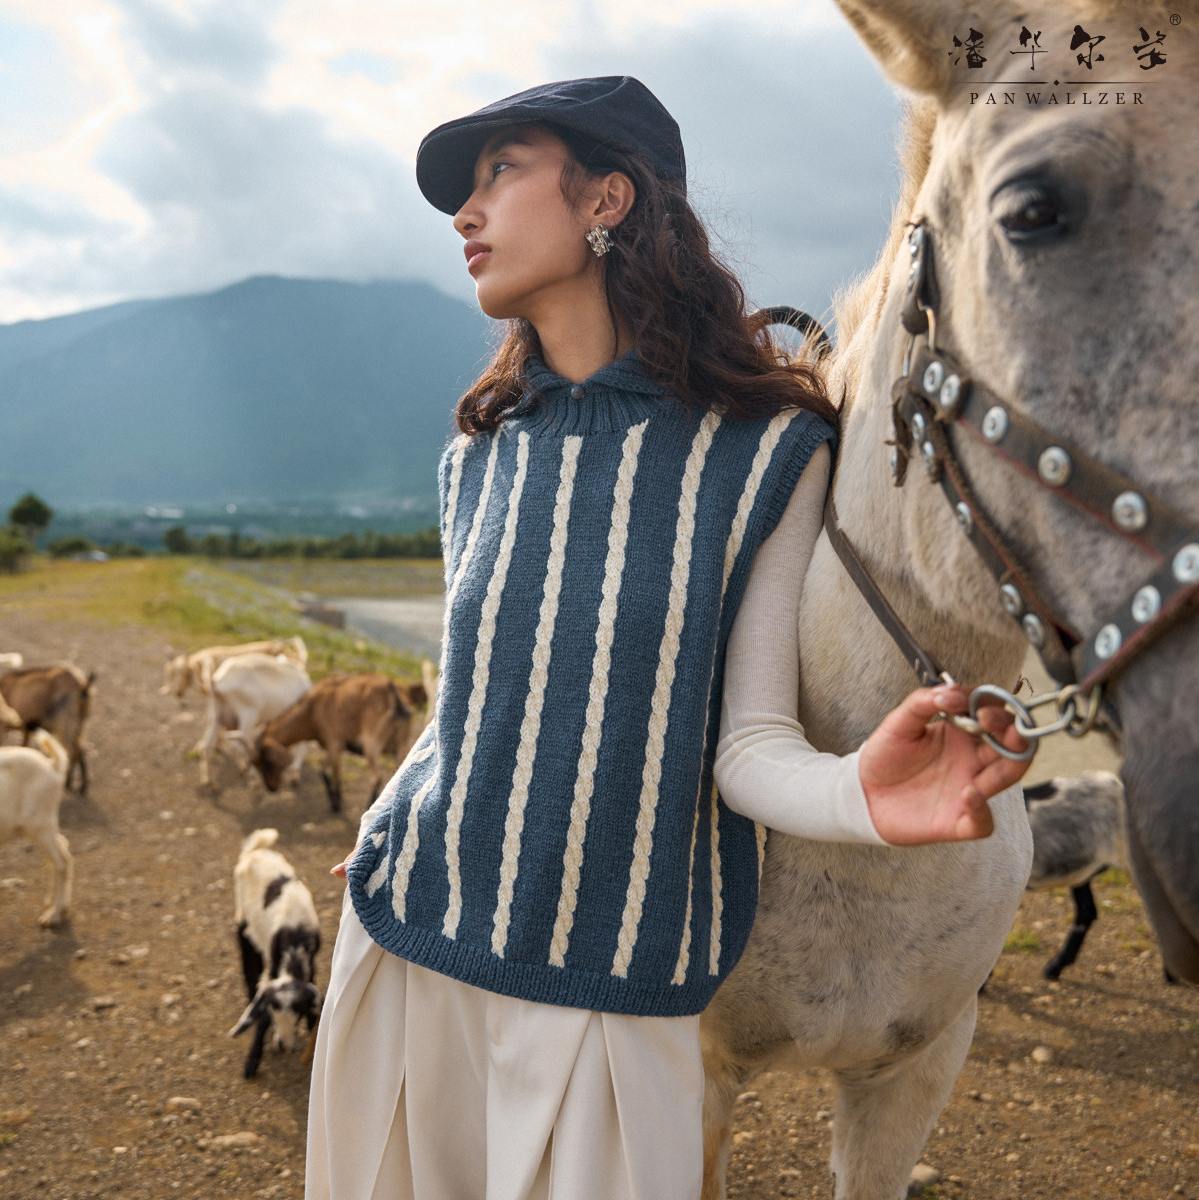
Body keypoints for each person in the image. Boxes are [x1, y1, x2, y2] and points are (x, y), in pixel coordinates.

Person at [305, 76, 1030, 1200]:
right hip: (410, 947)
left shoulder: (770, 454)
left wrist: (862, 800)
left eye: (501, 170)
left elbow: (746, 746)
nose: (464, 211)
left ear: (608, 197)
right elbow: (475, 704)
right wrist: (395, 816)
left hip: (616, 994)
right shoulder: (479, 456)